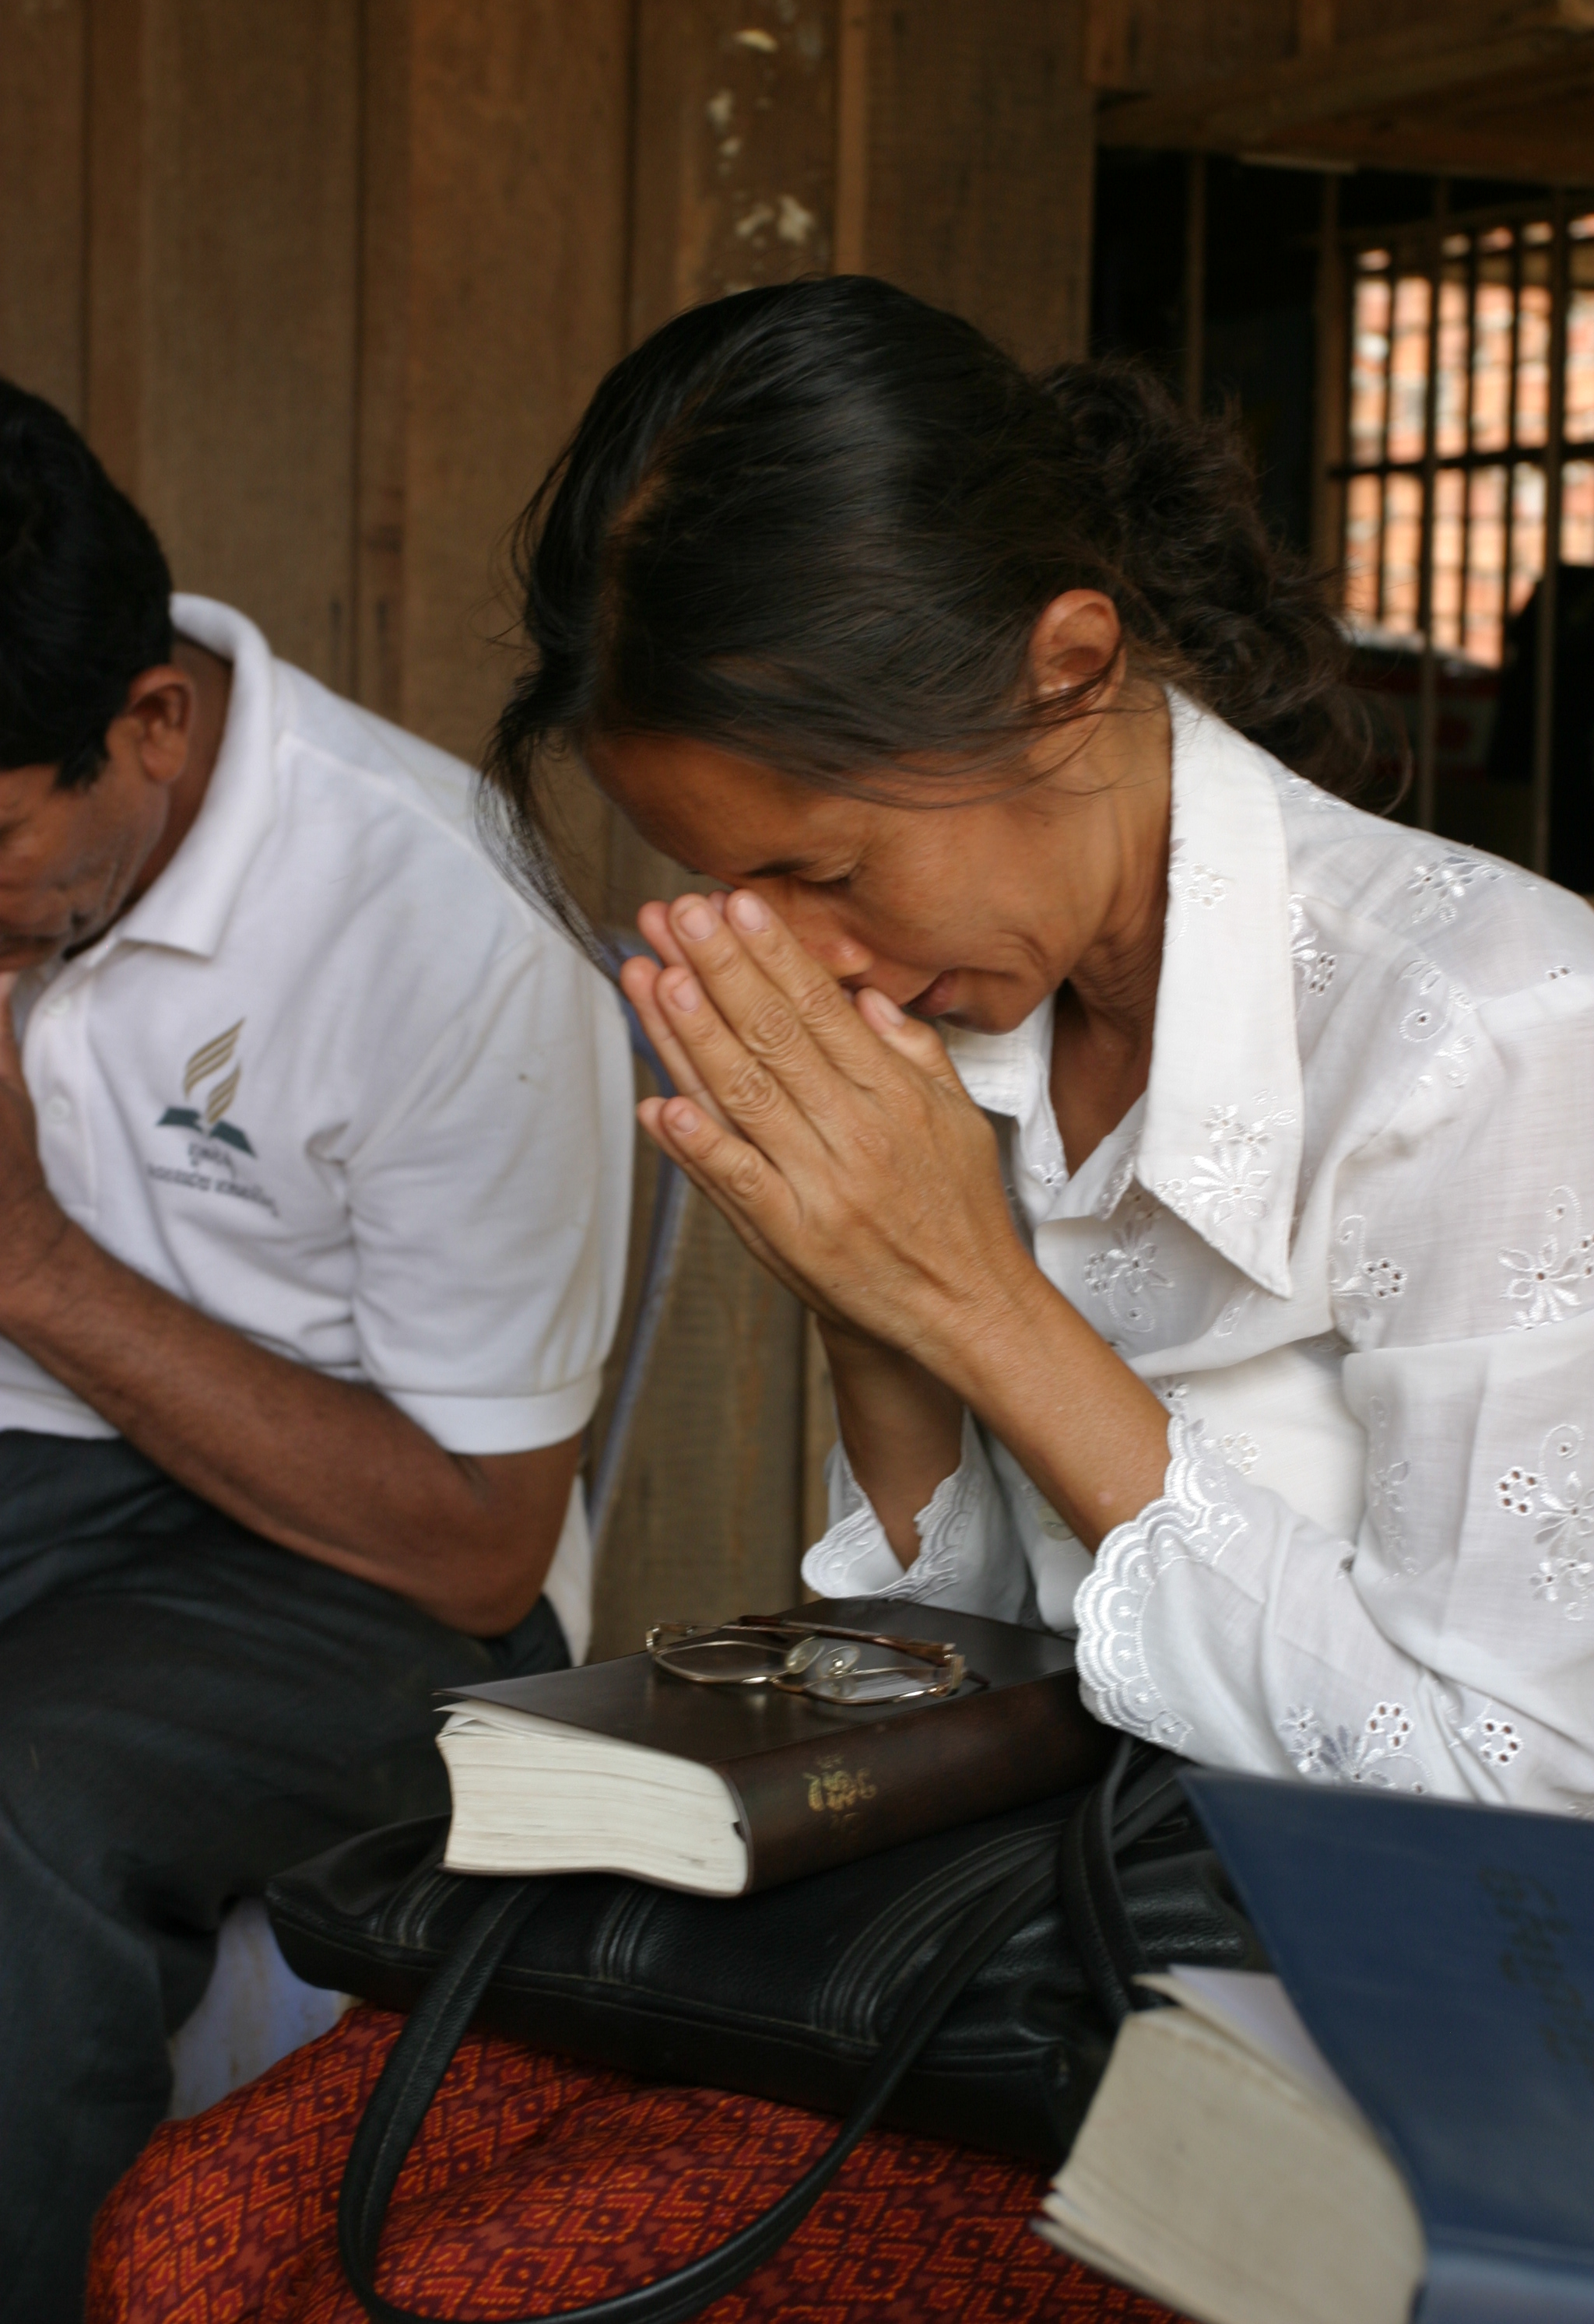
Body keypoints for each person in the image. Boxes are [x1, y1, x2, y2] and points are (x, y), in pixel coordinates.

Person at [488, 275, 1594, 1823]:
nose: (803, 959)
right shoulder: (967, 1019)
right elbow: (961, 1662)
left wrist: (974, 1299)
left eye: (826, 873)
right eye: (736, 893)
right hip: (1048, 1916)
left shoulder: (1492, 1033)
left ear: (1066, 673)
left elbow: (1522, 1792)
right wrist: (869, 1306)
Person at [0, 379, 630, 2315]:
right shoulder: (50, 820)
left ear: (151, 726)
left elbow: (476, 1542)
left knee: (24, 1803)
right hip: (48, 1466)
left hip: (370, 1562)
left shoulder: (441, 932)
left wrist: (31, 1266)